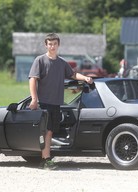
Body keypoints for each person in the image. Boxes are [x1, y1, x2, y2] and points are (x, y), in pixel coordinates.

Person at [29, 33, 93, 170]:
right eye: (50, 44)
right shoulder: (39, 60)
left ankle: (45, 158)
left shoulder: (62, 62)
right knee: (46, 131)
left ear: (58, 45)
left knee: (50, 131)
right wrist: (34, 99)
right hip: (44, 103)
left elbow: (73, 74)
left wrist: (85, 78)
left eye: (55, 44)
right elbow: (32, 79)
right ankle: (46, 160)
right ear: (46, 45)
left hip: (56, 103)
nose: (52, 46)